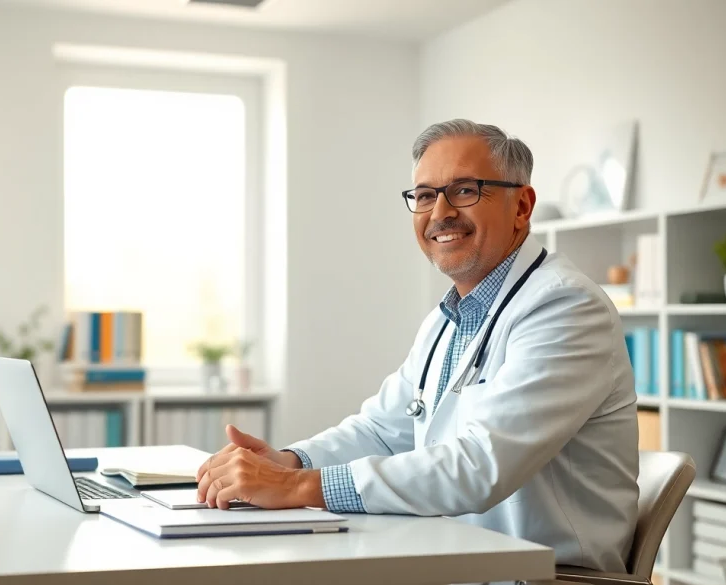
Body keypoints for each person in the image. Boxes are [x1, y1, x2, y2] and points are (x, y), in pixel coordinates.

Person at [195, 119, 639, 573]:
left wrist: (298, 487)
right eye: (425, 195)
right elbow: (383, 430)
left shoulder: (565, 306)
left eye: (465, 190)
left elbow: (480, 465)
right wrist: (290, 461)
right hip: (454, 560)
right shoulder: (447, 320)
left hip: (540, 576)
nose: (440, 212)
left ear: (522, 206)